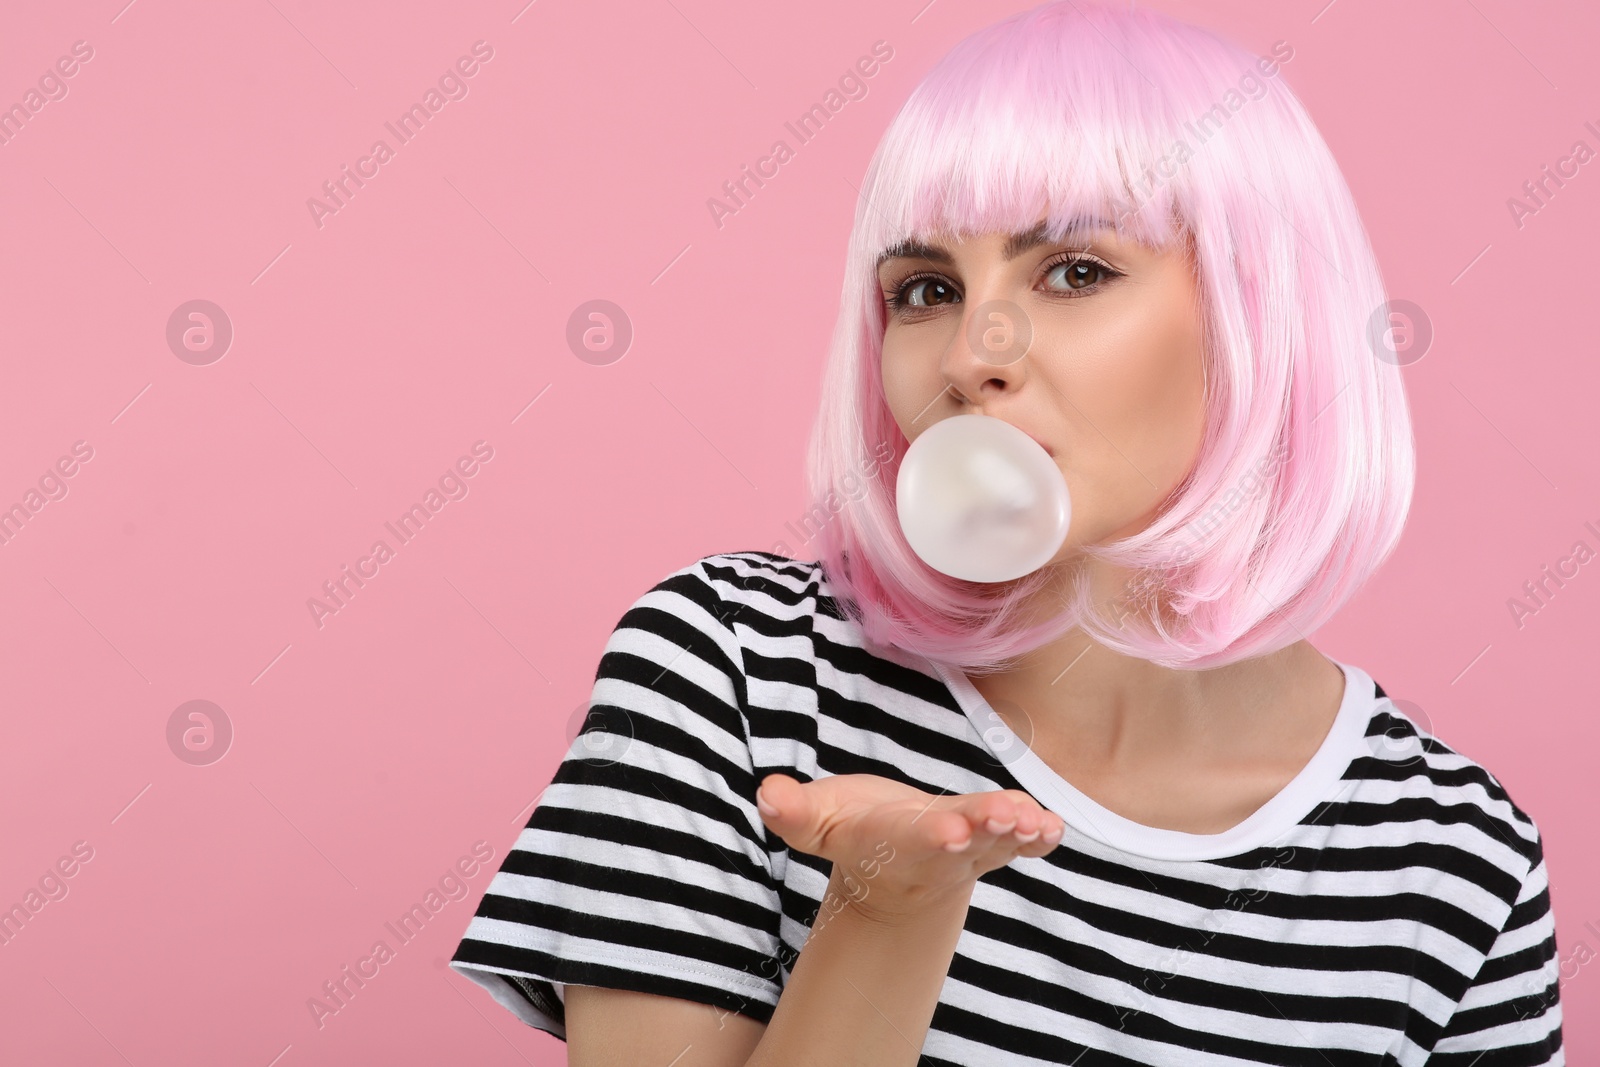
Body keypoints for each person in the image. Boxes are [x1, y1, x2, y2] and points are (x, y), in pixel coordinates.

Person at [448, 2, 1564, 1063]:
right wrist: (885, 909)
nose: (968, 351)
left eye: (1075, 270)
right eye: (925, 286)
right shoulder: (735, 671)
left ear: (1257, 316)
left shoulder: (1456, 861)